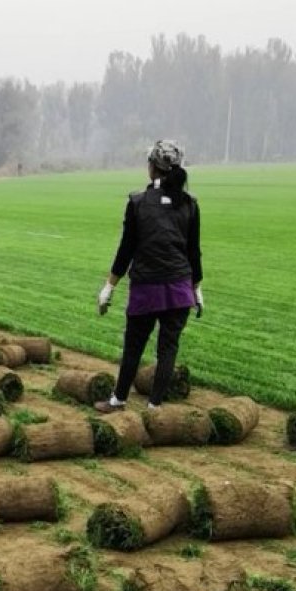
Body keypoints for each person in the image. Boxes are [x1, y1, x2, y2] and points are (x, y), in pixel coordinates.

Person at [95, 139, 203, 411]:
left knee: (134, 346)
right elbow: (194, 252)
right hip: (180, 290)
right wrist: (197, 290)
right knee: (167, 349)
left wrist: (109, 287)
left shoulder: (138, 202)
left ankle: (118, 400)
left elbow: (126, 250)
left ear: (153, 167)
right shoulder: (190, 204)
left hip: (147, 289)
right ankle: (155, 408)